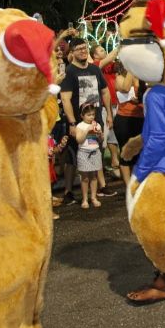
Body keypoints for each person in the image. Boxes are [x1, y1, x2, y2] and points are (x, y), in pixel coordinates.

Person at [60, 38, 113, 205]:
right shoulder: (69, 72)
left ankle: (98, 189)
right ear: (72, 52)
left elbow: (105, 92)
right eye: (79, 49)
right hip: (77, 122)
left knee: (96, 151)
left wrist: (109, 114)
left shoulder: (95, 70)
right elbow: (65, 99)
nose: (83, 51)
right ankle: (68, 191)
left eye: (85, 48)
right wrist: (72, 123)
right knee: (72, 156)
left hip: (96, 119)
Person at [92, 44, 122, 176]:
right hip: (104, 106)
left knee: (113, 136)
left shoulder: (110, 65)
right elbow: (110, 57)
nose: (104, 52)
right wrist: (120, 45)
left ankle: (115, 162)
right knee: (103, 138)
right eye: (101, 50)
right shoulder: (96, 64)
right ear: (95, 55)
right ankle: (100, 167)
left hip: (116, 103)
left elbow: (118, 65)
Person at [113, 64, 145, 182]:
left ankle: (138, 182)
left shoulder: (143, 77)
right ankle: (128, 188)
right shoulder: (120, 77)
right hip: (125, 119)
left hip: (141, 118)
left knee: (140, 153)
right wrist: (131, 70)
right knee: (126, 153)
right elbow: (125, 88)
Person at [75, 103, 103, 209]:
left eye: (93, 114)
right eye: (88, 115)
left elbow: (100, 141)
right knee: (85, 178)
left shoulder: (97, 125)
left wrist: (100, 134)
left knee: (94, 176)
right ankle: (85, 199)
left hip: (95, 152)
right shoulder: (80, 126)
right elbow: (79, 140)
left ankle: (93, 197)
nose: (91, 117)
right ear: (82, 115)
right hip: (84, 153)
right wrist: (87, 130)